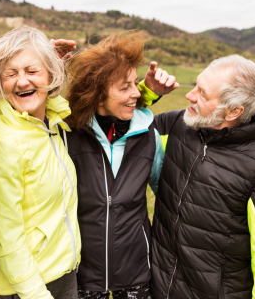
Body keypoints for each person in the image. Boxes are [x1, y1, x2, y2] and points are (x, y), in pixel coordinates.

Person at [149, 55, 255, 299]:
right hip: (158, 285)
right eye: (195, 85)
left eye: (202, 94)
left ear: (234, 111)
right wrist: (148, 93)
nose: (189, 96)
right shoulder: (180, 124)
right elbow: (126, 127)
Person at [62, 32, 179, 299]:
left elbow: (166, 193)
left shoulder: (148, 136)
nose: (137, 93)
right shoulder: (68, 135)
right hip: (82, 276)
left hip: (138, 274)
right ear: (97, 93)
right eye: (125, 87)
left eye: (135, 84)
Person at [0, 26, 80, 299]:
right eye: (10, 74)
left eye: (32, 71)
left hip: (61, 271)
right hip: (25, 287)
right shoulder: (4, 141)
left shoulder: (51, 122)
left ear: (51, 74)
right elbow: (6, 238)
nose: (22, 82)